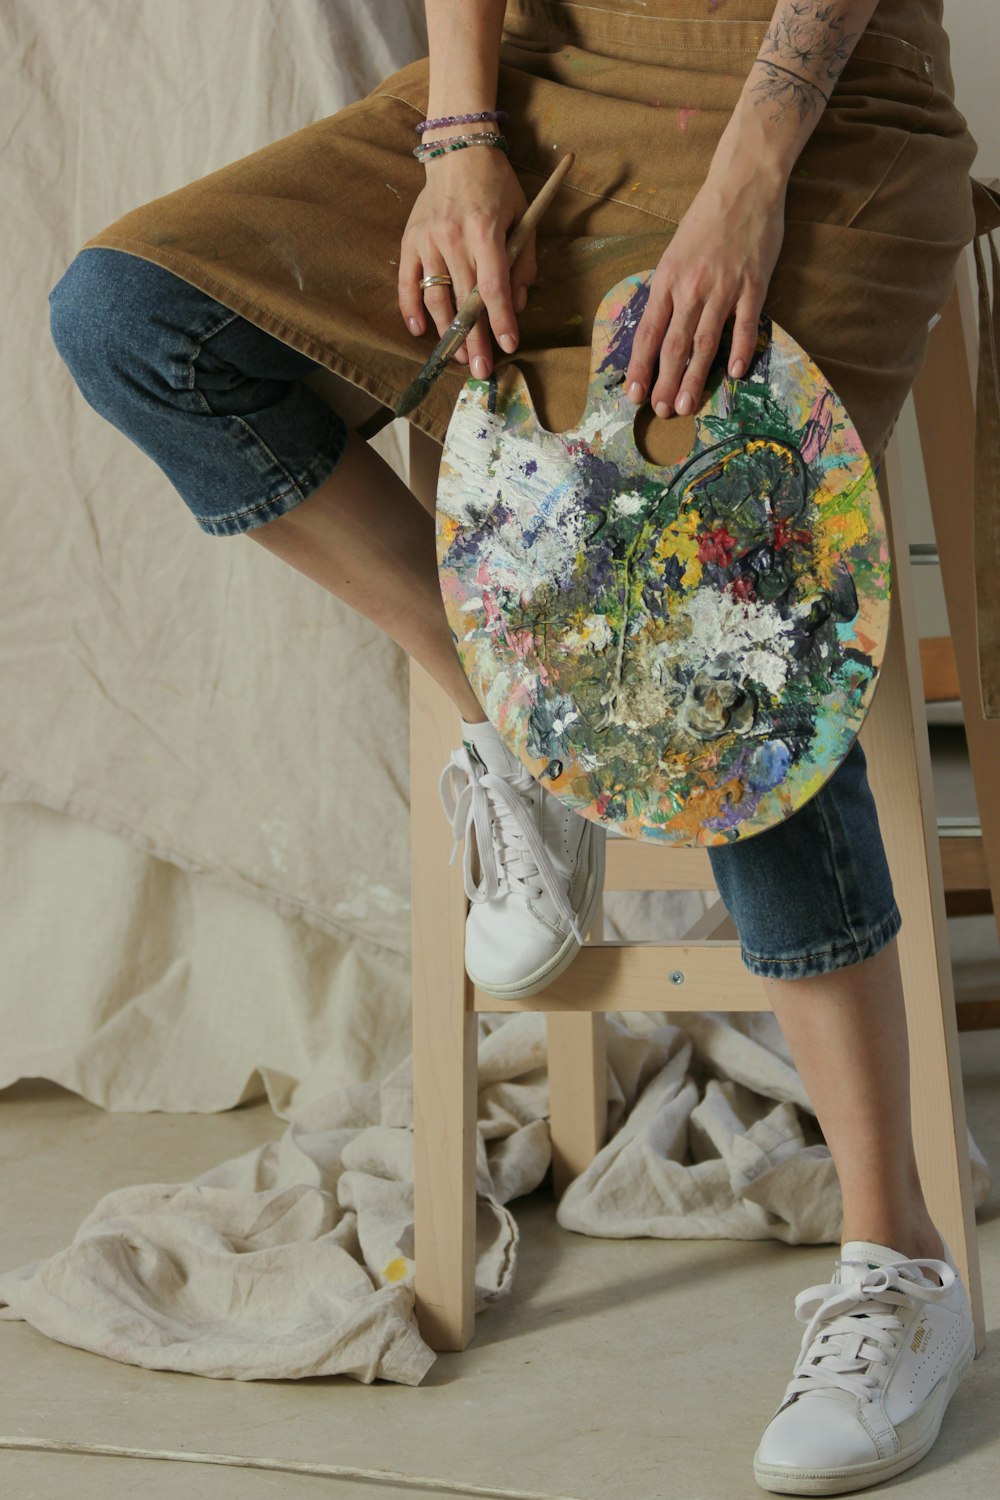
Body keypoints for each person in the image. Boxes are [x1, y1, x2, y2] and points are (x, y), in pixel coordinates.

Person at [47, 0, 986, 1490]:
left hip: (822, 110)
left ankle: (901, 1264)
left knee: (707, 602)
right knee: (129, 316)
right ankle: (524, 722)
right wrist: (463, 133)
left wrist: (754, 173)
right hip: (556, 82)